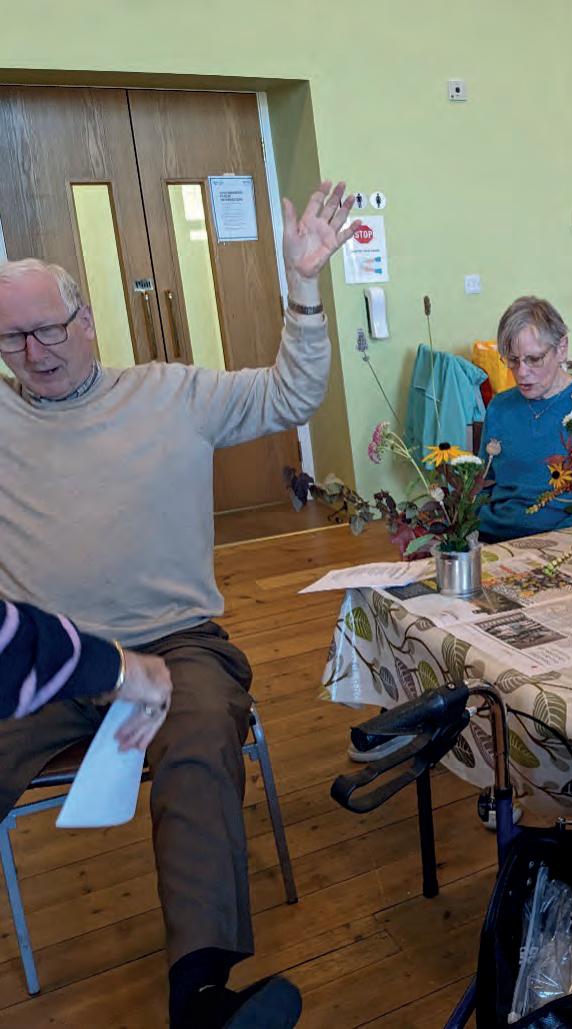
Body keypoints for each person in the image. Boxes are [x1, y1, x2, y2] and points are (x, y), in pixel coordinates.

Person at [0, 180, 359, 1029]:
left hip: (174, 647)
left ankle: (200, 998)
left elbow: (290, 395)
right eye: (12, 337)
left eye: (50, 327)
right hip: (45, 659)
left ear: (87, 320)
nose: (35, 351)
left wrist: (303, 286)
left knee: (199, 747)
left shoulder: (170, 393)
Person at [477, 296, 572, 542]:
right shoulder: (499, 407)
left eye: (534, 359)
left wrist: (558, 540)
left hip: (564, 540)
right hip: (494, 538)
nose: (521, 372)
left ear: (561, 348)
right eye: (513, 360)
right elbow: (483, 484)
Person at [1, 599, 172, 751]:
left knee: (184, 756)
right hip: (46, 636)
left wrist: (112, 667)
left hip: (166, 631)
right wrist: (116, 668)